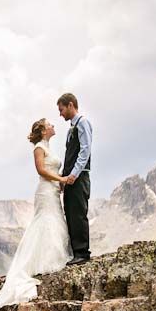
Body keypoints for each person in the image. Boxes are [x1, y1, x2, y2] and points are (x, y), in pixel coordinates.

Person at [0, 118, 72, 311]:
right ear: (43, 130)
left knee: (56, 222)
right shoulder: (39, 147)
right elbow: (41, 170)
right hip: (45, 190)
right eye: (50, 124)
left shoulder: (48, 146)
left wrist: (58, 183)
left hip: (52, 190)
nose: (53, 126)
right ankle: (43, 262)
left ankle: (51, 257)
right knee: (46, 222)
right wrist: (61, 180)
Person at [57, 92, 92, 264]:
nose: (60, 113)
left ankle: (83, 253)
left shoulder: (83, 123)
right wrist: (64, 177)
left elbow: (85, 150)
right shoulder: (71, 128)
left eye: (61, 109)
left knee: (78, 213)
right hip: (69, 179)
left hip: (79, 178)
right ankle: (75, 253)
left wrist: (74, 174)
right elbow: (69, 155)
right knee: (70, 213)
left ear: (71, 105)